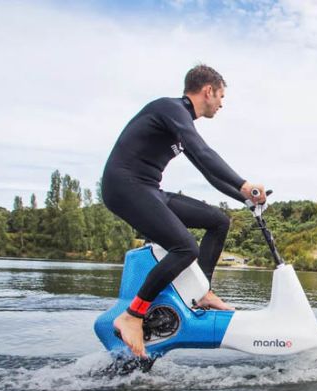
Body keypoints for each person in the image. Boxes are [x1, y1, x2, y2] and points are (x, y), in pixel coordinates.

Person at [102, 64, 265, 358]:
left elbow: (208, 172)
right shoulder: (171, 109)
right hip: (124, 186)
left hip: (150, 188)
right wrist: (244, 184)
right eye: (221, 96)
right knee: (185, 248)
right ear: (208, 90)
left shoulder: (180, 123)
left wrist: (245, 200)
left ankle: (201, 292)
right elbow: (204, 153)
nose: (222, 103)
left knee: (217, 221)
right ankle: (132, 315)